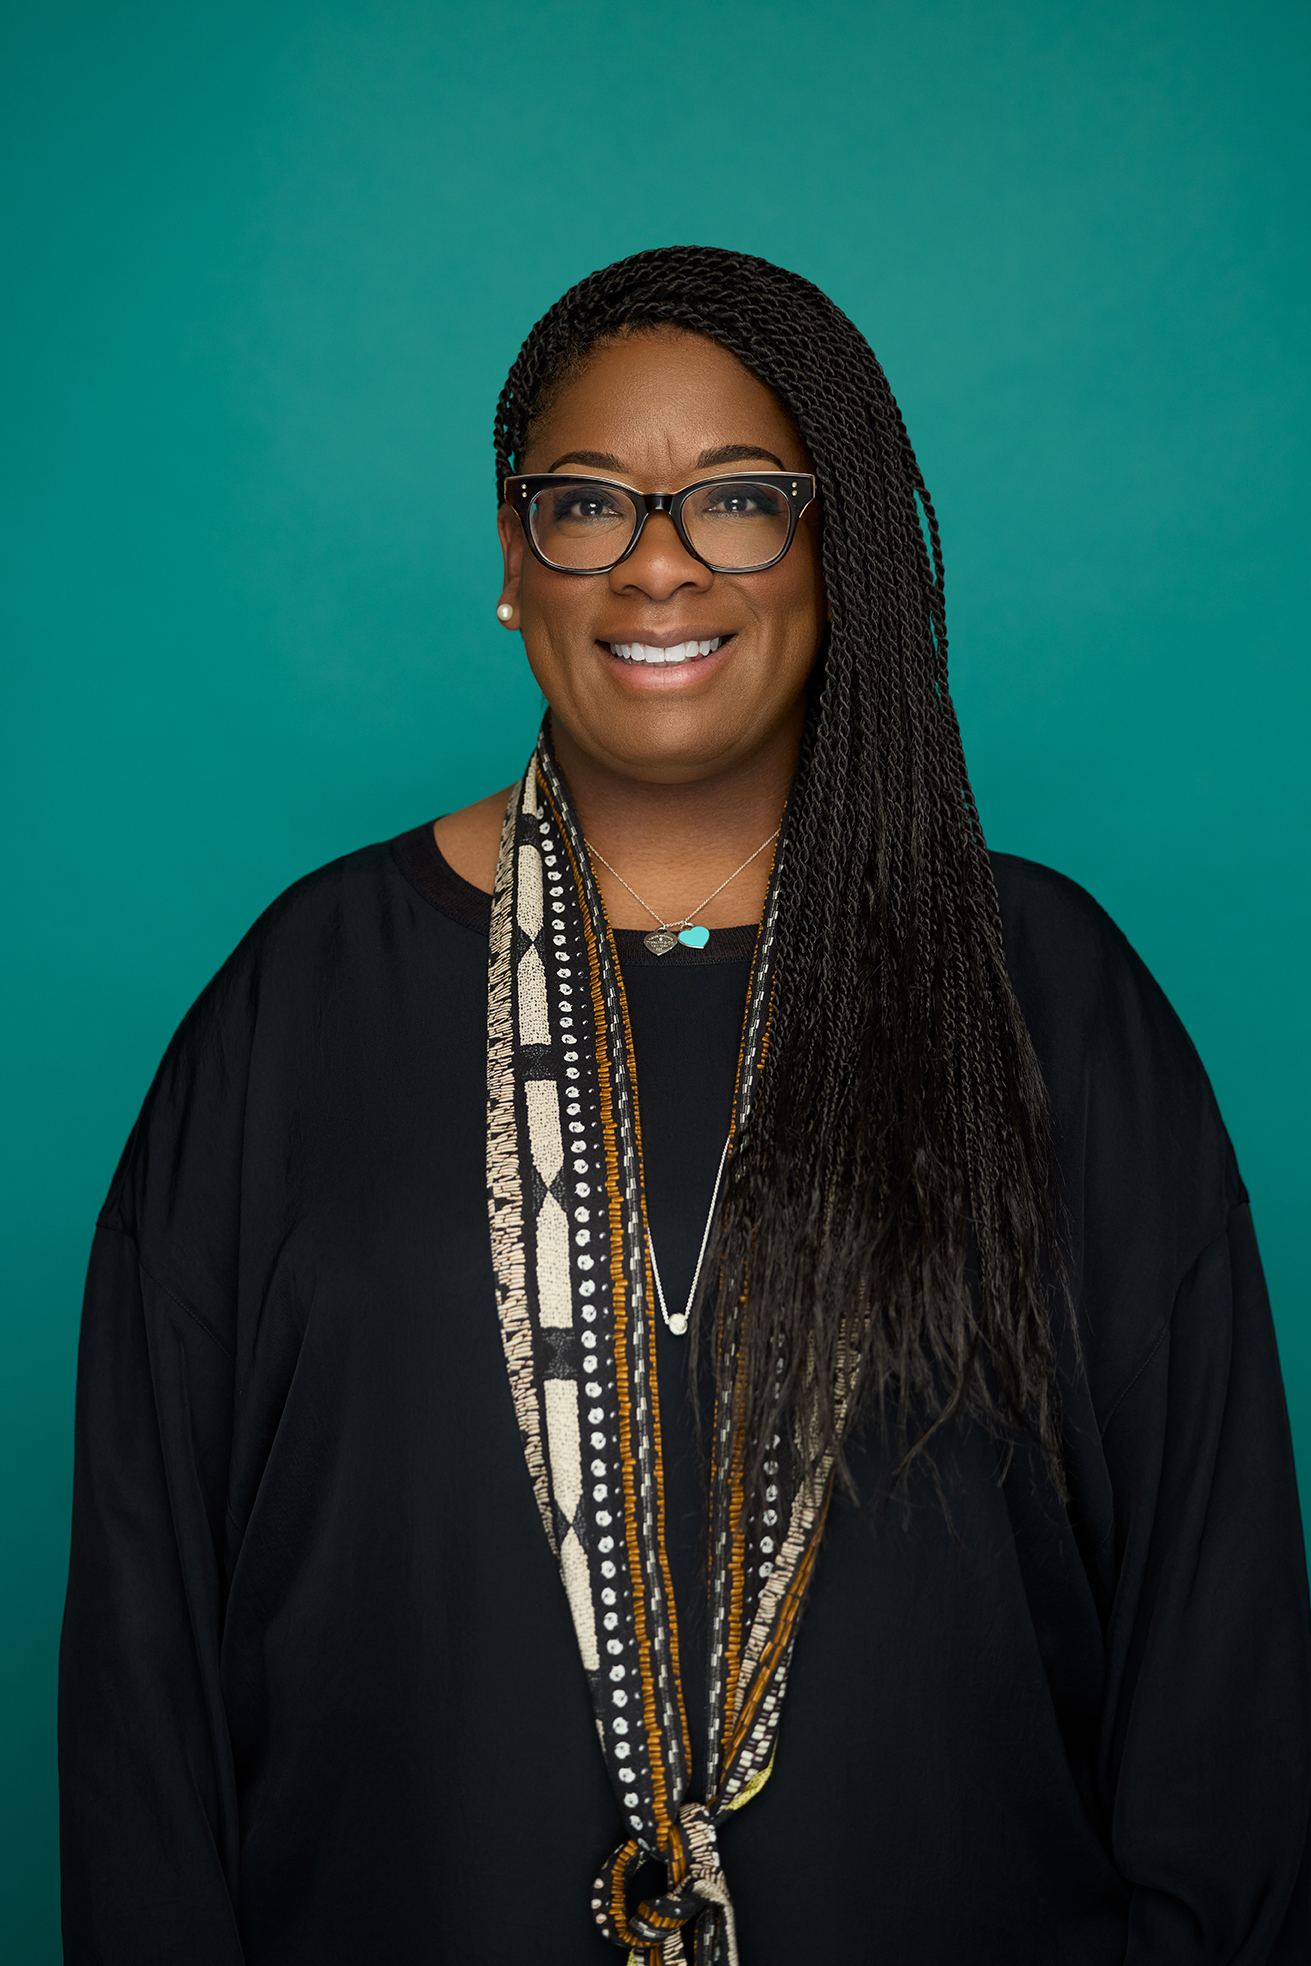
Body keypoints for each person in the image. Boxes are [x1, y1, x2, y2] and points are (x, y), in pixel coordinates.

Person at [59, 246, 1310, 1964]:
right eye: (585, 504)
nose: (656, 562)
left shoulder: (1046, 994)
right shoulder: (296, 1008)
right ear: (514, 559)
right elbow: (142, 1664)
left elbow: (1219, 1647)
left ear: (834, 546)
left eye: (737, 499)